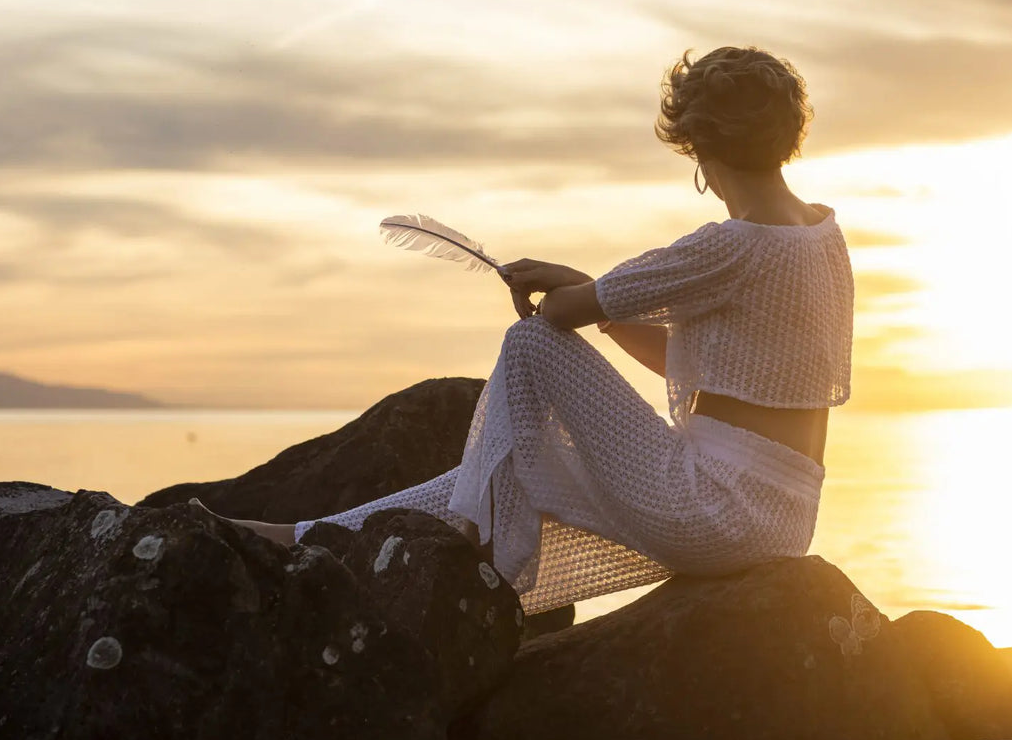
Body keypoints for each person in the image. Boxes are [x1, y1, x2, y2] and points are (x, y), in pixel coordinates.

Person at [194, 46, 854, 615]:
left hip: (714, 509)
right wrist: (595, 298)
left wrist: (574, 292)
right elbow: (698, 364)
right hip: (780, 519)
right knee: (494, 473)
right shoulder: (821, 235)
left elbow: (556, 317)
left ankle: (487, 551)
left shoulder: (730, 245)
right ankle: (303, 534)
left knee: (528, 345)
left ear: (700, 146)